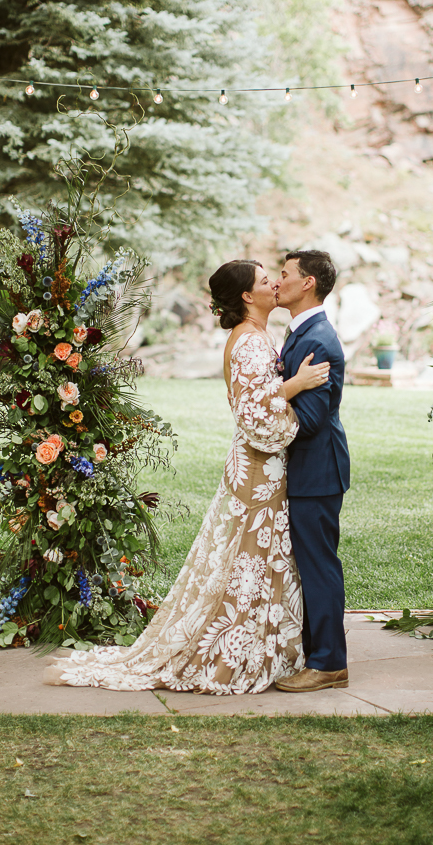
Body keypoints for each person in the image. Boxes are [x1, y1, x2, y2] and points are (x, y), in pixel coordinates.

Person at [43, 260, 330, 694]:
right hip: (258, 465)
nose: (274, 282)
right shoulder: (250, 341)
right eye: (264, 279)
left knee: (249, 556)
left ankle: (257, 640)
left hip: (258, 464)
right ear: (248, 297)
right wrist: (298, 383)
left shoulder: (255, 335)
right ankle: (232, 650)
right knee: (248, 557)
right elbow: (252, 408)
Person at [272, 250, 350, 693]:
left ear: (307, 284)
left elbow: (312, 418)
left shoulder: (318, 339)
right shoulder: (302, 332)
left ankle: (328, 663)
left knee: (319, 566)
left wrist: (264, 417)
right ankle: (314, 652)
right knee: (310, 565)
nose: (278, 281)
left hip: (317, 471)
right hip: (306, 471)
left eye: (284, 274)